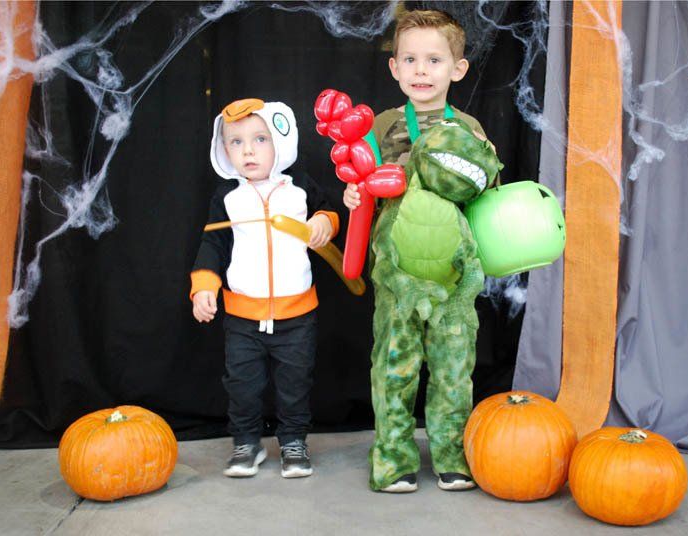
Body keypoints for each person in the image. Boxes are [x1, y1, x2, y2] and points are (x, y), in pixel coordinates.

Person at [344, 10, 491, 493]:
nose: (421, 70)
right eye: (410, 59)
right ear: (395, 69)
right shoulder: (383, 125)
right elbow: (361, 180)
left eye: (434, 59)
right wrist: (354, 195)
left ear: (458, 68)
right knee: (394, 364)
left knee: (453, 367)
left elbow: (488, 188)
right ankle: (393, 459)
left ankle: (452, 454)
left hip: (453, 275)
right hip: (397, 273)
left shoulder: (469, 129)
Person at [191, 98, 338, 479]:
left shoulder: (300, 187)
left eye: (259, 139)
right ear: (224, 150)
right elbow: (213, 245)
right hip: (243, 315)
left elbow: (328, 211)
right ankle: (245, 443)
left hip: (297, 313)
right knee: (242, 384)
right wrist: (204, 286)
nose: (248, 150)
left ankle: (293, 442)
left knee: (294, 383)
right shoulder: (227, 198)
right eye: (236, 142)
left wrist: (325, 223)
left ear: (280, 142)